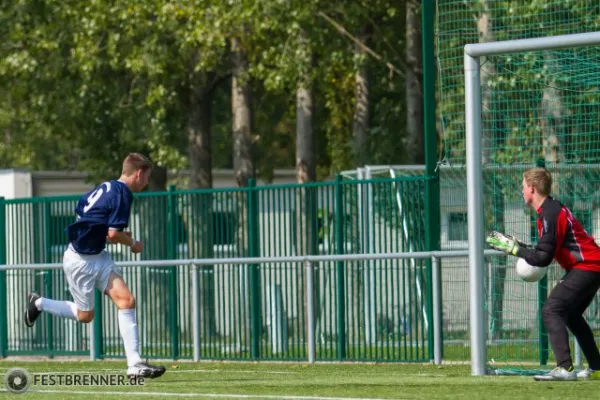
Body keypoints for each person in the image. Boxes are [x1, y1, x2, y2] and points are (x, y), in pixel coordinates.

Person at [24, 153, 166, 379]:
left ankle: (135, 364)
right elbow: (112, 233)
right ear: (139, 173)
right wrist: (133, 243)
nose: (147, 182)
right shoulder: (123, 195)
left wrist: (109, 234)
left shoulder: (108, 186)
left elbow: (84, 212)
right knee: (85, 316)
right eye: (147, 177)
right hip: (80, 262)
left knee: (126, 300)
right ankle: (39, 303)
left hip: (98, 256)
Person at [487, 167, 600, 381]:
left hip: (589, 266)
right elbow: (544, 250)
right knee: (570, 314)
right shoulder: (549, 211)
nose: (521, 191)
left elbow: (543, 259)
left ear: (531, 188)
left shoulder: (551, 212)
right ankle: (597, 366)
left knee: (551, 309)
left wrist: (514, 249)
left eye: (523, 187)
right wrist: (520, 246)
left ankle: (564, 368)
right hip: (591, 266)